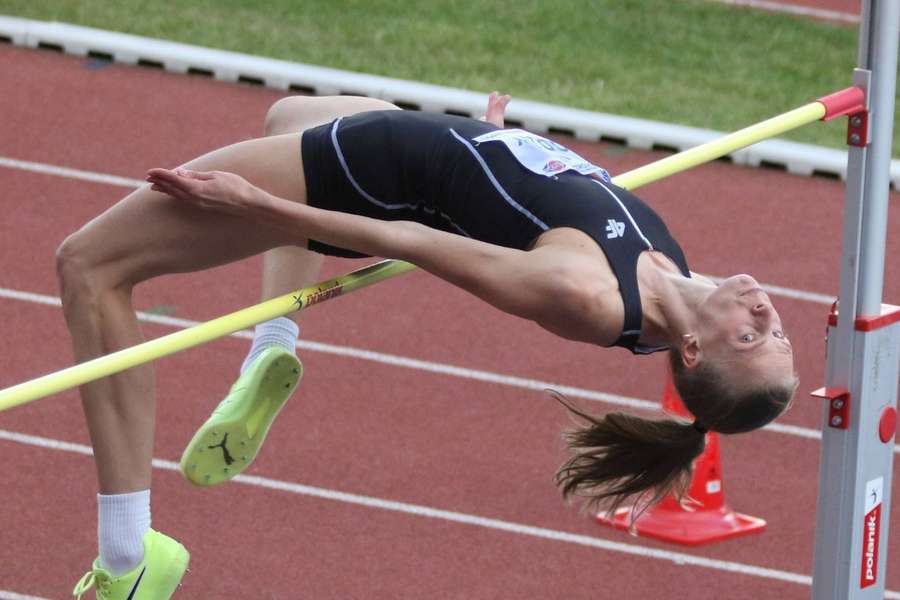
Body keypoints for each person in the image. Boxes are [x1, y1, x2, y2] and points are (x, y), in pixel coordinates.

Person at [59, 92, 796, 599]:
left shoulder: (589, 296)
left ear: (694, 353)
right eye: (777, 330)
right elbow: (560, 196)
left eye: (752, 334)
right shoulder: (683, 280)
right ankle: (270, 349)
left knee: (89, 268)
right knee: (286, 111)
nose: (766, 311)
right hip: (429, 141)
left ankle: (129, 556)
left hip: (367, 174)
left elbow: (416, 241)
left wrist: (261, 205)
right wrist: (500, 140)